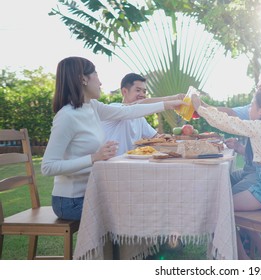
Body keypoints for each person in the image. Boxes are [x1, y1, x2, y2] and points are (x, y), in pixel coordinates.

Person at [41, 57, 185, 221]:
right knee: (133, 210)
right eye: (96, 74)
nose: (101, 83)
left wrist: (168, 104)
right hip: (71, 201)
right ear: (83, 79)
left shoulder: (93, 107)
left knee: (143, 200)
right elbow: (48, 167)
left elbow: (128, 112)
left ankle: (149, 245)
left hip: (96, 191)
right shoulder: (66, 116)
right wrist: (94, 158)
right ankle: (134, 246)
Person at [191, 89, 261, 260]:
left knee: (220, 209)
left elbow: (226, 122)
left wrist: (200, 107)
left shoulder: (259, 126)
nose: (249, 110)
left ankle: (242, 259)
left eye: (252, 106)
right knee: (235, 205)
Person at [102, 73, 184, 156]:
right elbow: (133, 107)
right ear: (124, 91)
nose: (142, 94)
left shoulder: (139, 118)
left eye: (144, 91)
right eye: (138, 90)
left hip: (132, 163)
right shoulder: (114, 108)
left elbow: (156, 138)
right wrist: (173, 99)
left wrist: (176, 138)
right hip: (111, 164)